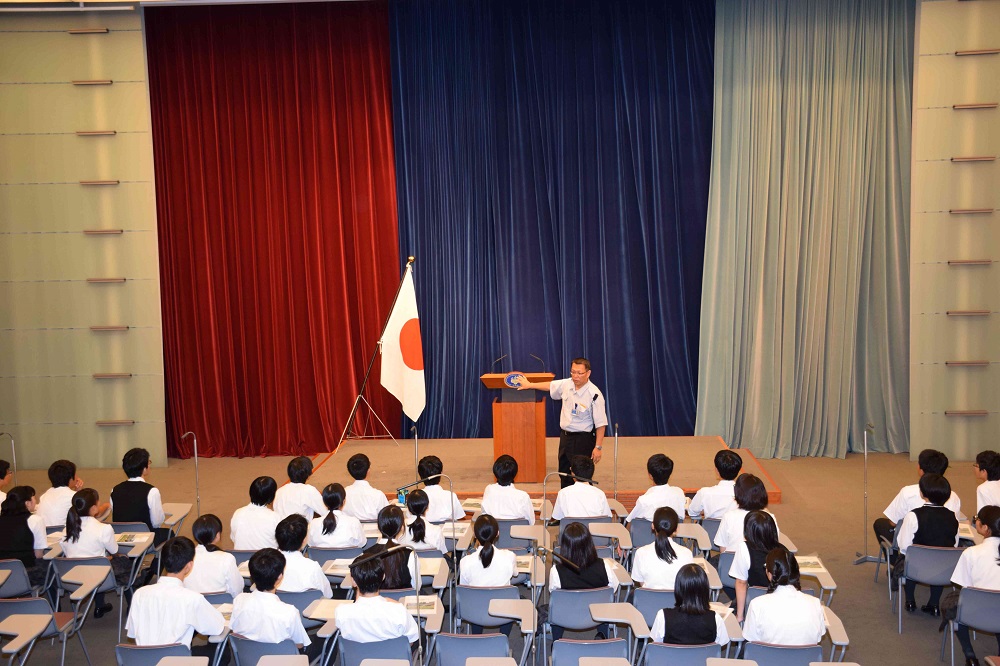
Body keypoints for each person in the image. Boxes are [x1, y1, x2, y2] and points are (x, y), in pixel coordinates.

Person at [517, 357, 608, 488]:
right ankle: (565, 501)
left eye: (579, 373)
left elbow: (601, 424)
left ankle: (585, 504)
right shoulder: (567, 384)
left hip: (583, 439)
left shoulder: (594, 394)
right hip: (565, 437)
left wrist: (598, 447)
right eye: (573, 372)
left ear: (588, 373)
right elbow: (550, 385)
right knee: (564, 473)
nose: (575, 376)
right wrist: (530, 385)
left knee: (581, 476)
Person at [125, 536, 226, 653]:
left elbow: (132, 633)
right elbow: (217, 628)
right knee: (219, 652)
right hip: (176, 661)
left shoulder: (139, 594)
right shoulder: (192, 599)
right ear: (189, 566)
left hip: (145, 661)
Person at [893, 473, 960, 615]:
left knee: (908, 558)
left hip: (916, 567)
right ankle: (934, 604)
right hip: (943, 569)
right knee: (940, 559)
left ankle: (910, 601)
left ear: (923, 494)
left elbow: (904, 546)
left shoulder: (913, 515)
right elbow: (954, 544)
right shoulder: (953, 517)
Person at [873, 448, 962, 553]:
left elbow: (894, 523)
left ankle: (894, 563)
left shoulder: (908, 494)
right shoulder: (954, 496)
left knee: (880, 524)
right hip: (943, 554)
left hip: (914, 556)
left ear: (921, 469)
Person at [61, 488, 131, 618]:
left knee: (97, 560)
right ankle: (131, 603)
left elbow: (67, 553)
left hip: (73, 576)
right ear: (94, 508)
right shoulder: (104, 529)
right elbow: (115, 551)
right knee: (125, 561)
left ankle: (100, 605)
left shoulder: (67, 529)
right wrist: (109, 557)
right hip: (101, 577)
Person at [945, 505, 1000, 666]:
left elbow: (963, 586)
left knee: (954, 604)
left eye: (977, 520)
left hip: (975, 615)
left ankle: (969, 655)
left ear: (985, 528)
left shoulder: (971, 553)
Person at [548, 522, 619, 640]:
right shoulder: (605, 566)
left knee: (555, 606)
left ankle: (557, 640)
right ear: (589, 543)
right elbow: (613, 589)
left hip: (568, 615)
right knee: (605, 600)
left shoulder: (556, 571)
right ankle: (603, 634)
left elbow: (554, 594)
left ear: (564, 545)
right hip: (596, 615)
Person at [742, 547, 825, 646]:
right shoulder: (815, 603)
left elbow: (752, 639)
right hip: (805, 661)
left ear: (769, 574)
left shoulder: (757, 604)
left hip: (766, 660)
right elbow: (819, 636)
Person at [333, 551, 420, 645]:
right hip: (393, 658)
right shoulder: (398, 611)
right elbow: (411, 641)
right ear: (383, 577)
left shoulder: (341, 612)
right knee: (421, 633)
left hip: (357, 659)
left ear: (353, 581)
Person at [230, 548, 311, 649]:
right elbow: (299, 645)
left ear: (251, 575)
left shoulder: (239, 601)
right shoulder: (289, 612)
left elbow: (234, 630)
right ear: (279, 577)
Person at [459, 515, 518, 635]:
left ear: (475, 536)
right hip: (503, 611)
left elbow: (464, 589)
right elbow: (515, 574)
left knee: (475, 598)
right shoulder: (509, 557)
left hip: (475, 611)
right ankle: (503, 638)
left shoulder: (465, 561)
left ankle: (476, 637)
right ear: (497, 534)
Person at [649, 563, 729, 646]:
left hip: (671, 659)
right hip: (702, 659)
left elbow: (657, 645)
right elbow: (719, 645)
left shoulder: (663, 616)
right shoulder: (715, 619)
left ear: (678, 588)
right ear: (705, 589)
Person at [729, 510, 781, 622]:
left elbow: (741, 583)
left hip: (755, 601)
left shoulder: (744, 548)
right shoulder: (784, 550)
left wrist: (740, 616)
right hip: (781, 604)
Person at [110, 448, 167, 545]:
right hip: (145, 539)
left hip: (122, 539)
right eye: (149, 462)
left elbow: (115, 513)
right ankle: (156, 560)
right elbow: (157, 522)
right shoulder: (152, 491)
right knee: (169, 533)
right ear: (144, 469)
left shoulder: (114, 490)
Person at [629, 507, 693, 590]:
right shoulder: (687, 553)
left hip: (648, 602)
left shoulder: (640, 553)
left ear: (653, 526)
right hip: (677, 602)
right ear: (676, 529)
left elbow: (641, 583)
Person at [183, 514, 244, 599]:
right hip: (221, 609)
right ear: (218, 535)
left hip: (192, 608)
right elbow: (237, 590)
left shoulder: (185, 556)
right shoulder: (227, 558)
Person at [713, 474, 779, 553]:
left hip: (731, 562)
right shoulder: (770, 517)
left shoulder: (729, 516)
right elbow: (774, 543)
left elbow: (723, 549)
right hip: (761, 564)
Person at [0, 486, 48, 588]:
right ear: (27, 503)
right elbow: (38, 554)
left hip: (2, 576)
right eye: (34, 498)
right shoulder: (35, 520)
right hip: (26, 574)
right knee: (52, 566)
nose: (35, 500)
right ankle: (54, 603)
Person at [274, 514, 332, 597]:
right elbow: (328, 595)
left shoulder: (266, 565)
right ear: (304, 540)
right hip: (308, 610)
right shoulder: (312, 567)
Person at [36, 459, 103, 527]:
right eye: (75, 474)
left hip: (44, 535)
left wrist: (78, 492)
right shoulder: (72, 496)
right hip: (63, 535)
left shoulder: (44, 496)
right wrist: (107, 506)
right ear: (71, 479)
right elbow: (92, 512)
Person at [368, 505, 419, 590]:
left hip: (376, 602)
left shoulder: (366, 555)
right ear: (402, 527)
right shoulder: (410, 554)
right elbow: (416, 586)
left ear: (379, 527)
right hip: (403, 601)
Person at [626, 454, 686, 523]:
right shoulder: (679, 493)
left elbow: (630, 521)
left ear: (650, 476)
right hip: (674, 533)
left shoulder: (643, 501)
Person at [551, 456, 611, 521]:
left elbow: (557, 516)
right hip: (595, 530)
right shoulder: (600, 494)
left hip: (571, 530)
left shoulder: (563, 493)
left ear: (572, 473)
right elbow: (607, 517)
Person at [307, 483, 366, 549]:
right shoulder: (353, 522)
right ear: (343, 502)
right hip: (350, 559)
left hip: (321, 559)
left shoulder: (314, 523)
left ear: (324, 502)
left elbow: (310, 544)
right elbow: (362, 543)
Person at [687, 450, 743, 520]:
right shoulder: (745, 494)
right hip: (735, 530)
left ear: (717, 470)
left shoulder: (704, 493)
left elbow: (692, 513)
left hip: (708, 530)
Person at [481, 455, 535, 525]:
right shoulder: (523, 496)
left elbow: (484, 515)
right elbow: (531, 522)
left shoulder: (489, 490)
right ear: (515, 473)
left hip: (494, 535)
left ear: (495, 472)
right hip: (519, 535)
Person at [230, 476, 281, 551]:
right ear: (271, 497)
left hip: (241, 560)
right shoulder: (275, 517)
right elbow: (280, 543)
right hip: (266, 560)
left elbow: (234, 538)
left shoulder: (238, 513)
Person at [416, 456, 465, 523]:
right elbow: (460, 518)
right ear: (441, 474)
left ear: (421, 476)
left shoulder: (416, 498)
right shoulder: (450, 496)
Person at [343, 453, 389, 521]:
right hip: (374, 531)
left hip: (349, 530)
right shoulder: (378, 495)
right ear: (368, 470)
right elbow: (387, 517)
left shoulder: (343, 493)